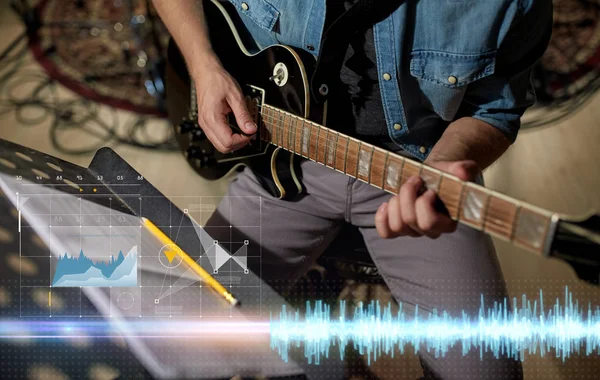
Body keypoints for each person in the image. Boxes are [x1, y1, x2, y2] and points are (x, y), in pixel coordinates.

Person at [153, 0, 553, 378]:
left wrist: (443, 168)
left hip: (407, 172)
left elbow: (495, 109)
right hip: (279, 171)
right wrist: (204, 65)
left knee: (485, 370)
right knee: (169, 340)